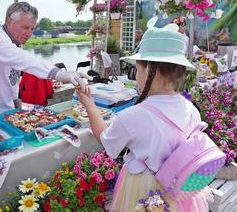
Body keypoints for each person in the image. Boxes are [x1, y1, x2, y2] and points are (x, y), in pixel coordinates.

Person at [77, 17, 212, 211]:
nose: (136, 74)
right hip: (178, 191)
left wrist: (89, 104)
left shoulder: (135, 115)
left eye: (137, 68)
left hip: (144, 191)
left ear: (150, 70)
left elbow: (107, 141)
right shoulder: (190, 108)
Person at [0, 1, 90, 119]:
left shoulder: (14, 41)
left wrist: (15, 99)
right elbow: (27, 61)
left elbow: (12, 74)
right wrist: (60, 74)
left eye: (32, 28)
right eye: (25, 27)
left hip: (3, 109)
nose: (29, 33)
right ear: (9, 22)